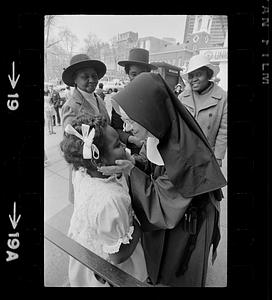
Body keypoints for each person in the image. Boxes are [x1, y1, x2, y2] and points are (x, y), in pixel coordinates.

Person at [99, 72, 227, 287]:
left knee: (178, 274)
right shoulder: (161, 130)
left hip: (187, 224)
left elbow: (162, 203)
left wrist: (131, 172)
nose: (127, 129)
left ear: (150, 114)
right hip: (179, 215)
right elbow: (155, 164)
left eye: (130, 121)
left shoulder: (186, 153)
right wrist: (134, 162)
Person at [60, 113, 147, 287]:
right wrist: (138, 226)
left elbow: (122, 155)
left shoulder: (82, 172)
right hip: (112, 269)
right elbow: (118, 255)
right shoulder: (111, 200)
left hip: (85, 256)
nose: (124, 147)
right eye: (117, 145)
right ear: (96, 159)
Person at [61, 53, 110, 204]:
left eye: (94, 76)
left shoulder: (99, 99)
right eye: (85, 76)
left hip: (105, 165)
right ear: (75, 80)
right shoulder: (71, 106)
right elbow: (72, 147)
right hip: (88, 171)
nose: (92, 80)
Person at [178, 54, 227, 167]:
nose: (194, 79)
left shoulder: (222, 97)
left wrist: (218, 156)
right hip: (185, 154)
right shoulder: (182, 97)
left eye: (199, 74)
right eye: (191, 75)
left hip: (208, 156)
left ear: (208, 74)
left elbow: (224, 130)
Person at [111, 48, 158, 156]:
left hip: (154, 152)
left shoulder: (156, 98)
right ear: (128, 74)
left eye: (142, 74)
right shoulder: (119, 100)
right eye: (133, 74)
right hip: (129, 151)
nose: (138, 78)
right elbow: (116, 129)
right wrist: (131, 139)